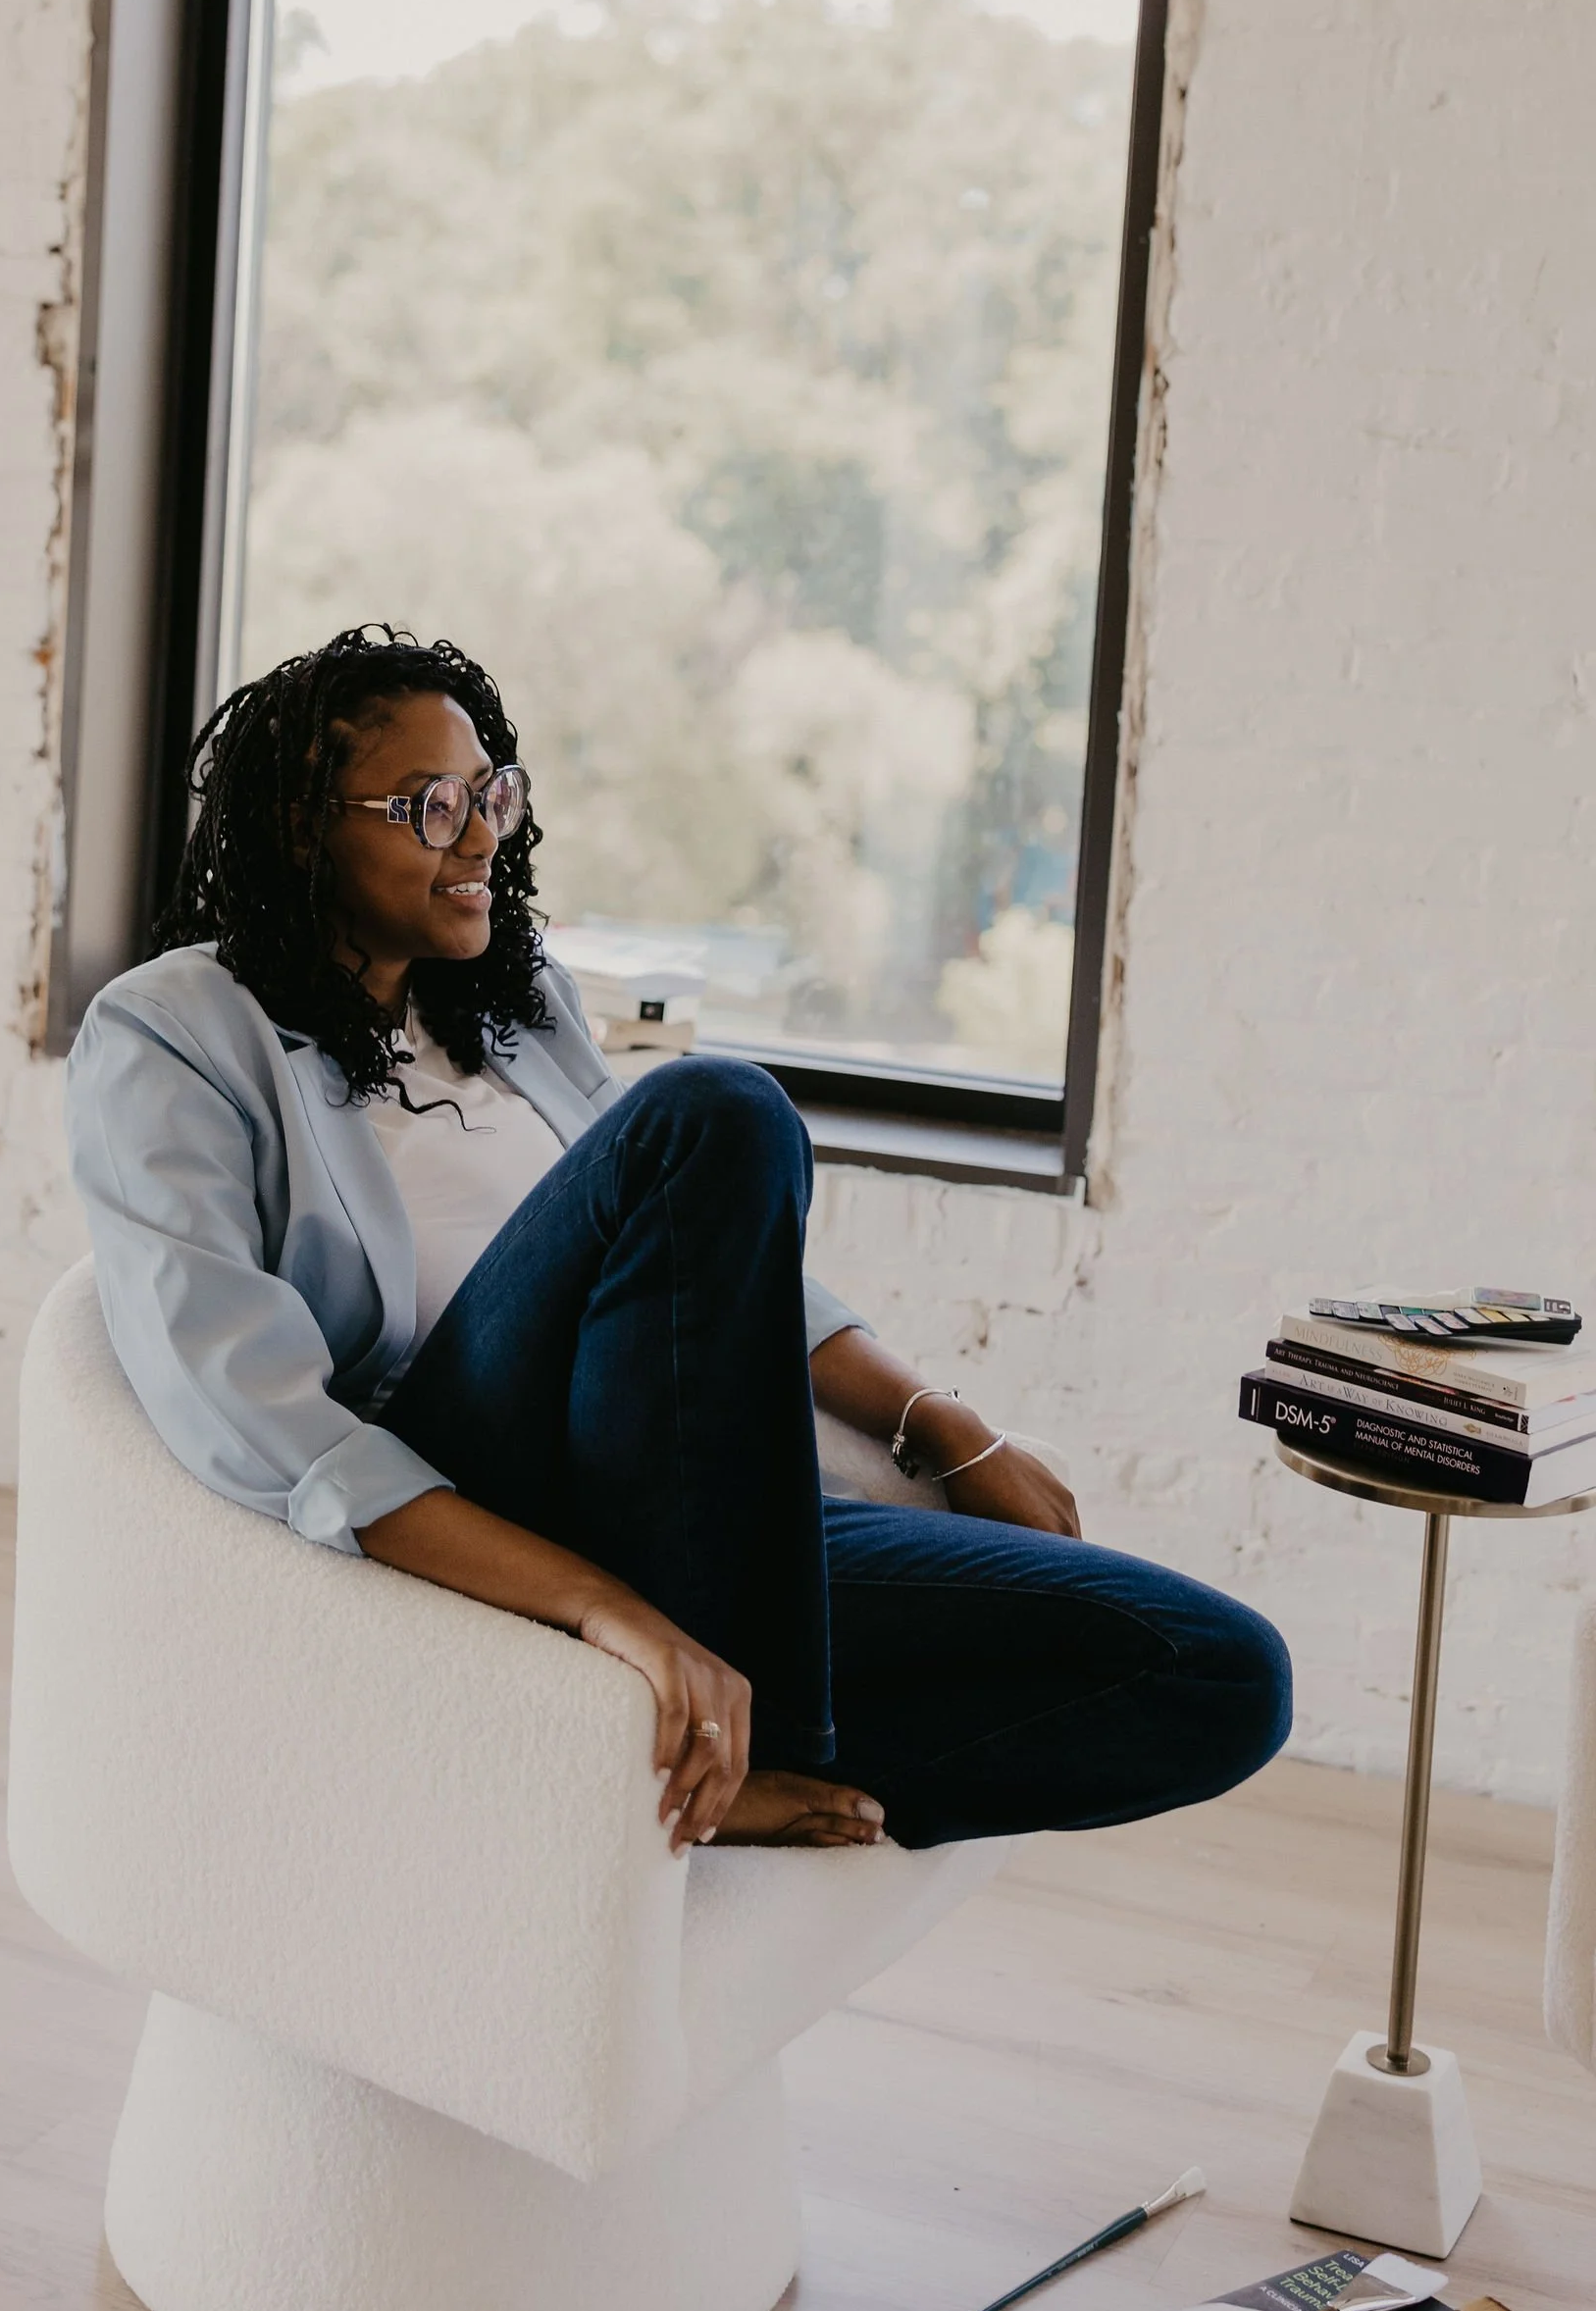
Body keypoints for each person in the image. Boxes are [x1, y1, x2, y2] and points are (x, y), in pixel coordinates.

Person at [68, 624, 1291, 1857]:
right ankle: (695, 1730)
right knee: (713, 1109)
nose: (481, 834)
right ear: (299, 828)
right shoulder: (175, 1034)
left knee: (1220, 1675)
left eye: (490, 793)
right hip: (481, 1492)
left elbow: (713, 1258)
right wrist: (604, 1611)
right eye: (430, 806)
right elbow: (266, 1425)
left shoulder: (509, 1000)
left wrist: (947, 1429)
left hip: (691, 1496)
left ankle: (699, 1757)